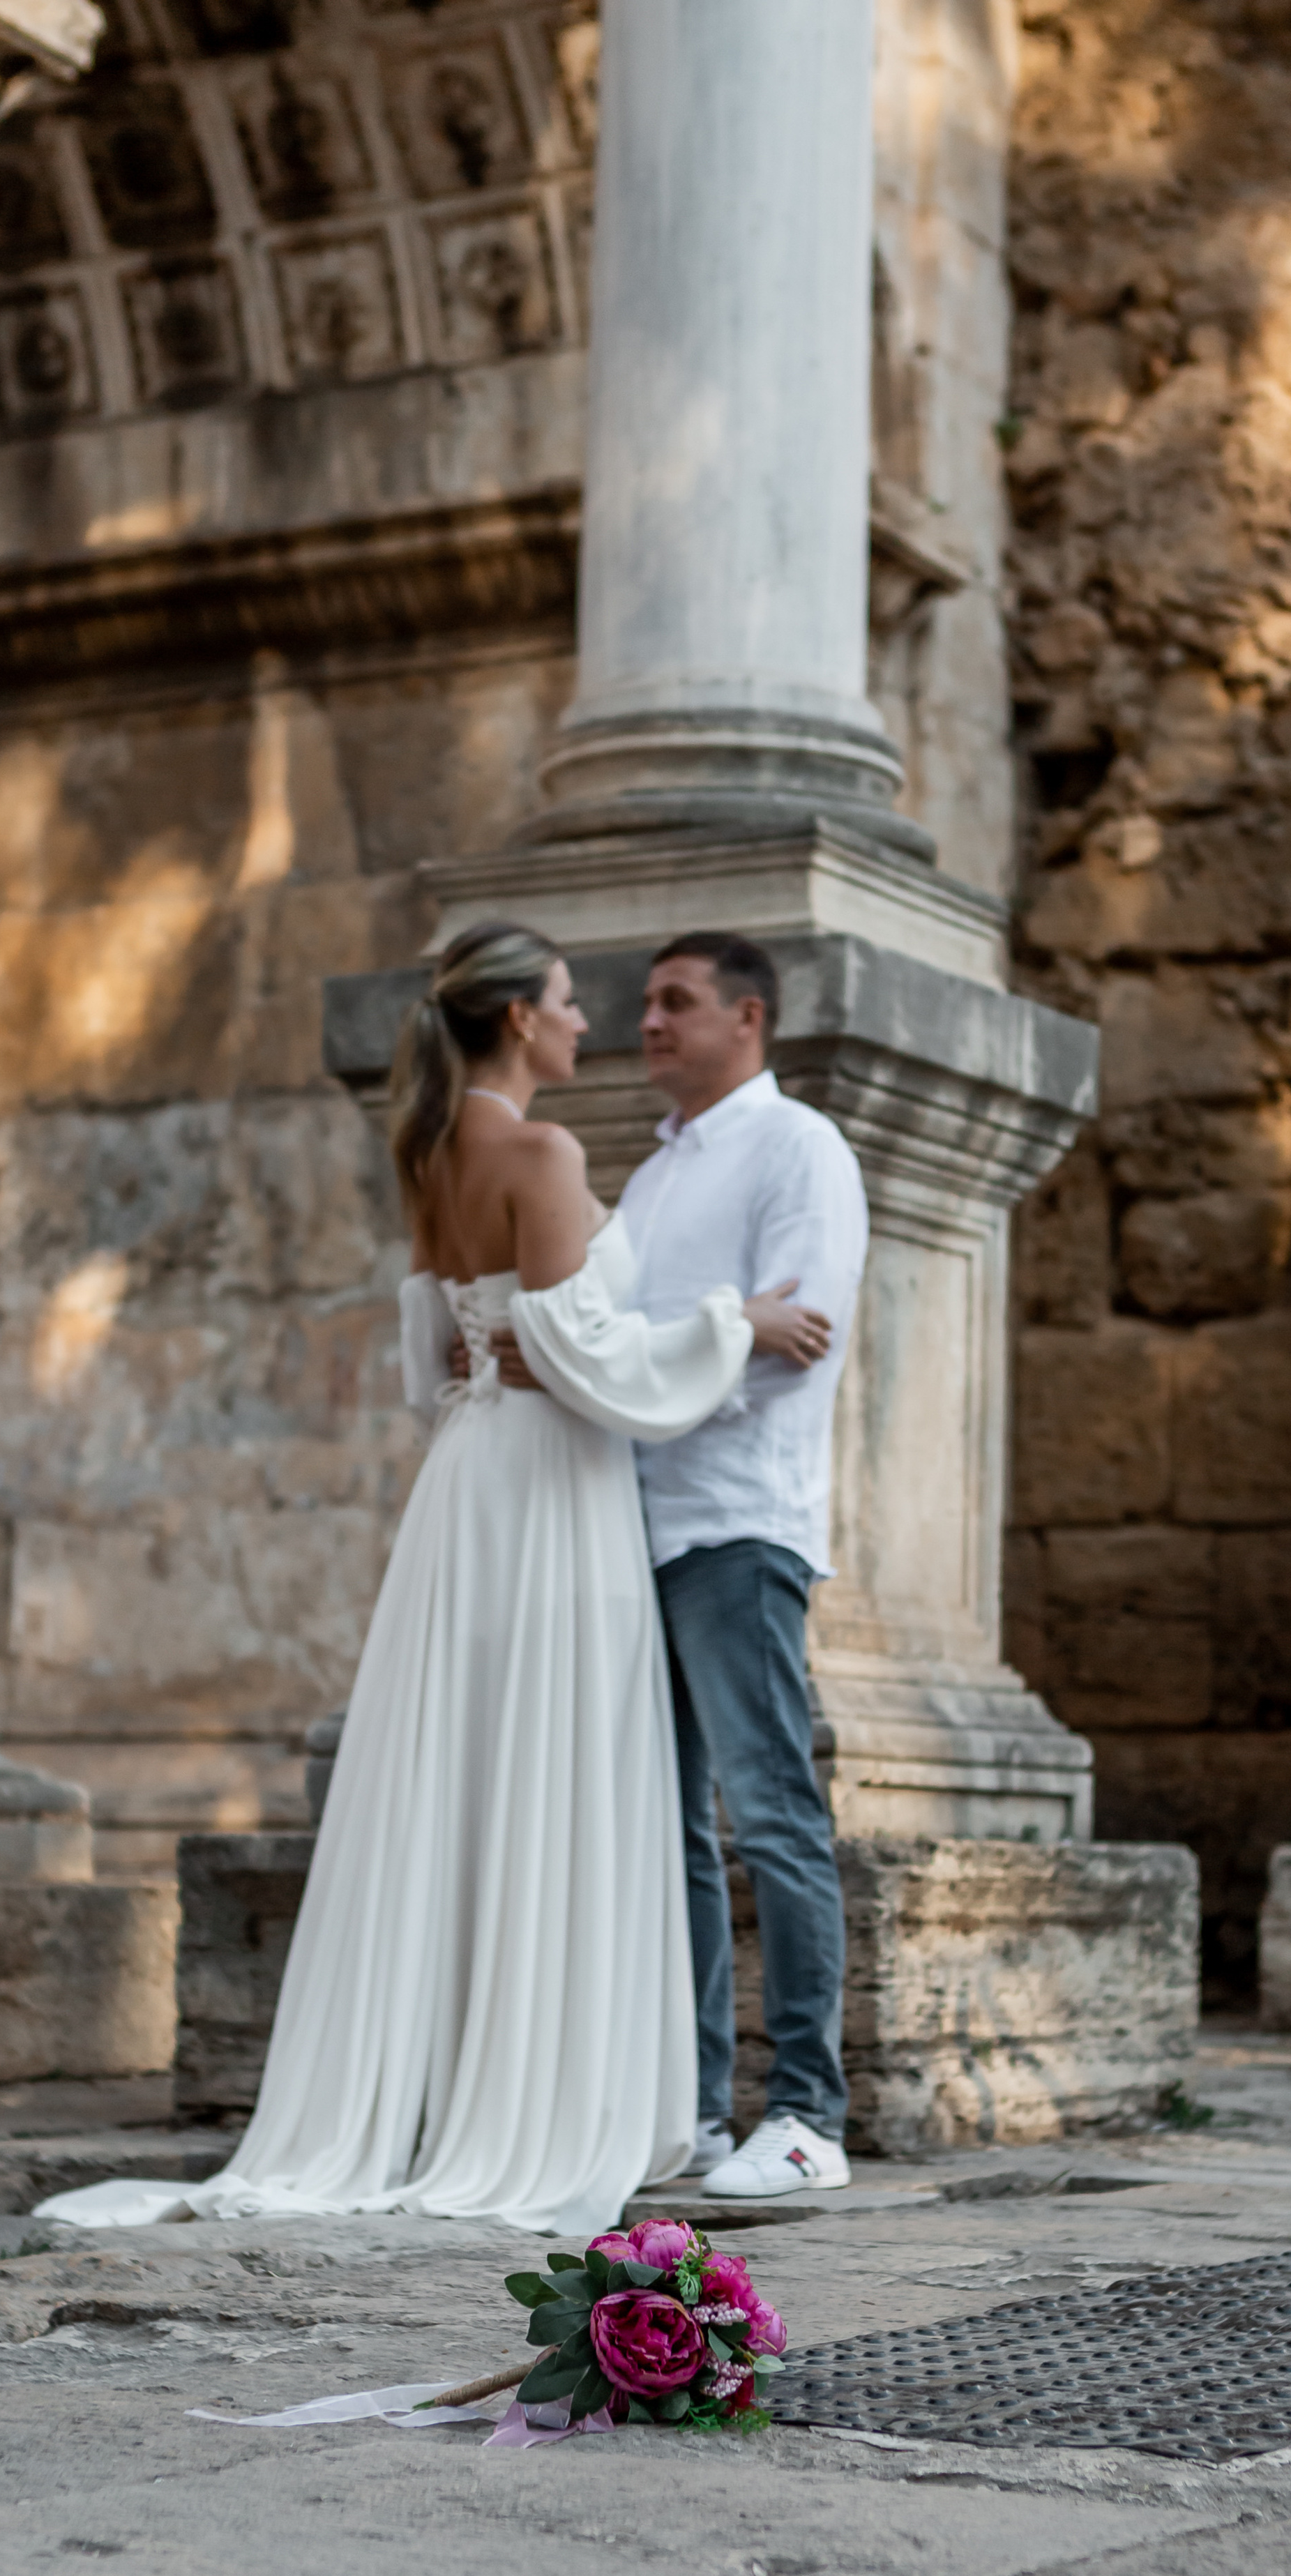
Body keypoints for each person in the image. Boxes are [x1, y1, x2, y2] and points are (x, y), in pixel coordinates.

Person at [33, 922, 831, 2241]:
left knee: (472, 1774)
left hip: (469, 1480)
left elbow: (435, 1361)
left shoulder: (431, 1150)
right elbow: (594, 1363)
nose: (591, 1023)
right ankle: (535, 2102)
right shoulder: (544, 1151)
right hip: (554, 1488)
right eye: (573, 1002)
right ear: (519, 1017)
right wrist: (732, 1323)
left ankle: (458, 2086)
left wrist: (508, 1355)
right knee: (551, 1773)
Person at [497, 933, 868, 2198]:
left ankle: (811, 2116)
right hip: (633, 1525)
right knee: (670, 1835)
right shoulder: (652, 1176)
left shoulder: (798, 1147)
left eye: (675, 1002)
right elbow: (612, 1348)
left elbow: (794, 1335)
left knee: (771, 1814)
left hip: (736, 1521)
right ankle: (702, 2109)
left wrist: (638, 1360)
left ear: (748, 1017)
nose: (643, 1022)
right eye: (642, 1003)